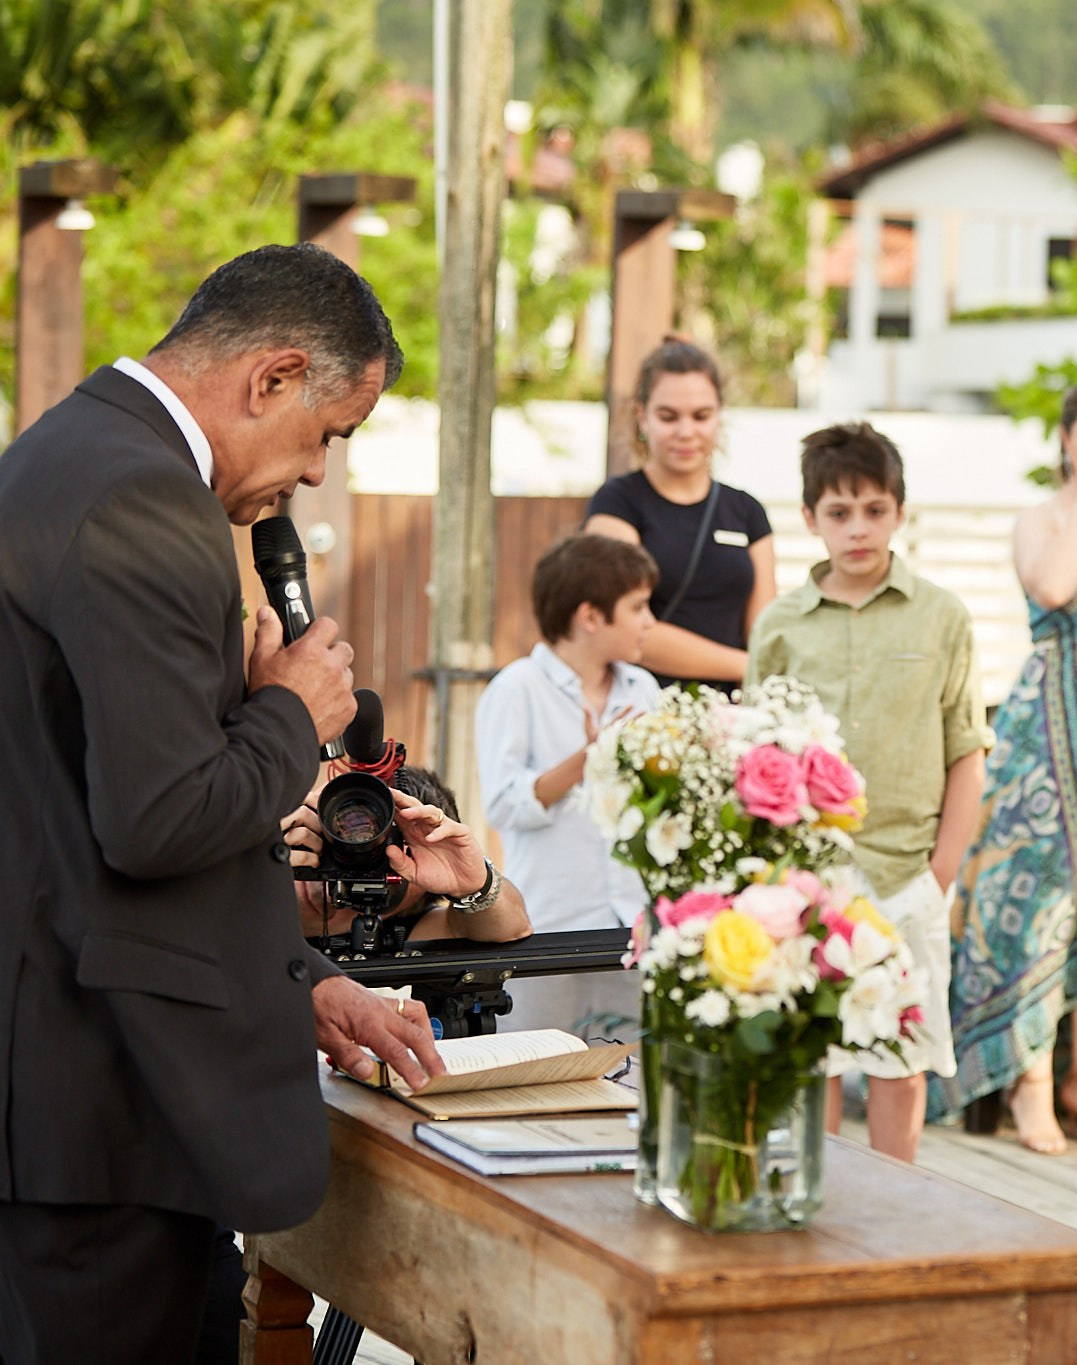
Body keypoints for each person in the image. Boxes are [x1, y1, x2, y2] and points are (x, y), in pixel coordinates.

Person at [0, 243, 444, 1362]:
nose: (318, 473)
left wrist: (305, 983)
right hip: (99, 1126)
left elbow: (77, 822)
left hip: (75, 1108)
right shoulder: (146, 497)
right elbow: (157, 822)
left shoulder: (62, 451)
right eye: (330, 432)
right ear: (274, 376)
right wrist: (292, 712)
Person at [747, 422, 991, 1164]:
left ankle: (895, 1206)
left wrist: (940, 872)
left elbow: (966, 750)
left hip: (905, 872)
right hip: (808, 874)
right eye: (839, 512)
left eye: (875, 510)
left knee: (898, 1055)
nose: (858, 528)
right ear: (810, 518)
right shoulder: (781, 625)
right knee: (812, 1052)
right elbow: (757, 757)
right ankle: (819, 1202)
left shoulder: (942, 615)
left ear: (900, 512)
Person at [930, 377, 1077, 1153]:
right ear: (1067, 441)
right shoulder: (1042, 518)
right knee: (1037, 899)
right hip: (1046, 731)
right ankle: (1028, 1081)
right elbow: (1055, 584)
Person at [476, 533, 664, 1035]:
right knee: (541, 1066)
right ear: (590, 617)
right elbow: (502, 806)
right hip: (549, 928)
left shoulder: (643, 689)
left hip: (633, 930)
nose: (650, 621)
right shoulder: (516, 688)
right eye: (638, 607)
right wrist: (588, 760)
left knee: (629, 1071)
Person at [585, 338, 776, 692]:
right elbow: (624, 629)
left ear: (719, 416)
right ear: (642, 417)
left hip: (733, 713)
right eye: (668, 417)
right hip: (642, 707)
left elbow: (764, 633)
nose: (686, 432)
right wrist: (747, 665)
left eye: (701, 416)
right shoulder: (616, 503)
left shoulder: (747, 511)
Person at [286, 765, 534, 948]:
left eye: (373, 884)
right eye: (337, 844)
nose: (326, 892)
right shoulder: (268, 818)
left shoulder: (388, 932)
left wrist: (475, 885)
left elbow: (511, 930)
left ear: (398, 915)